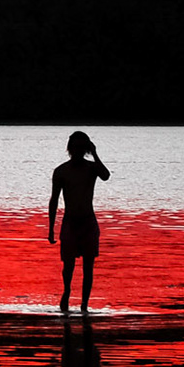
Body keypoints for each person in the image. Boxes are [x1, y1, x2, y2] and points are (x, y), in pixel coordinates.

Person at [48, 131, 110, 315]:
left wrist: (95, 153)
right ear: (69, 148)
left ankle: (84, 304)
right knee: (68, 265)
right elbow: (54, 200)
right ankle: (66, 293)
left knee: (88, 266)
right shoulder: (61, 171)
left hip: (88, 222)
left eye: (81, 147)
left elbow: (106, 176)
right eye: (74, 147)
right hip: (70, 223)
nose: (77, 151)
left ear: (85, 149)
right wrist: (51, 228)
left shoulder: (91, 168)